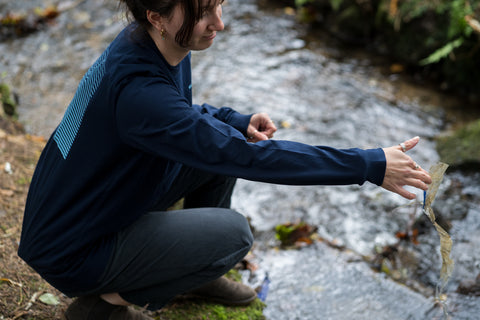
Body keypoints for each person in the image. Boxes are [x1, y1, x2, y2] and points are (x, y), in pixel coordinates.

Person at [18, 0, 432, 319]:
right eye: (204, 13)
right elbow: (245, 157)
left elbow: (183, 118)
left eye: (219, 4)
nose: (219, 23)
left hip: (91, 202)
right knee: (233, 235)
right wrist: (368, 164)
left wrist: (234, 120)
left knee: (224, 142)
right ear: (157, 16)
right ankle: (104, 305)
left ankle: (197, 270)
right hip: (73, 247)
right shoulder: (140, 92)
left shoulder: (150, 42)